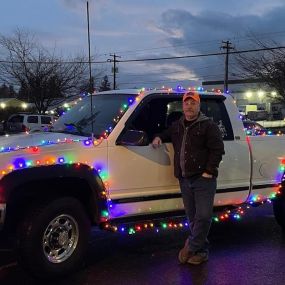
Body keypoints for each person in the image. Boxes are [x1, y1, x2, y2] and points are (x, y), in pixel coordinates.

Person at [152, 91, 225, 265]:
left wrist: (209, 171)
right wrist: (158, 137)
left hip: (203, 179)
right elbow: (166, 133)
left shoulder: (208, 125)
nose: (189, 106)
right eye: (187, 103)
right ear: (182, 106)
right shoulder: (178, 126)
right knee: (192, 217)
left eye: (193, 103)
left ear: (198, 106)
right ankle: (201, 251)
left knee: (204, 215)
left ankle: (190, 247)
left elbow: (218, 150)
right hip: (184, 179)